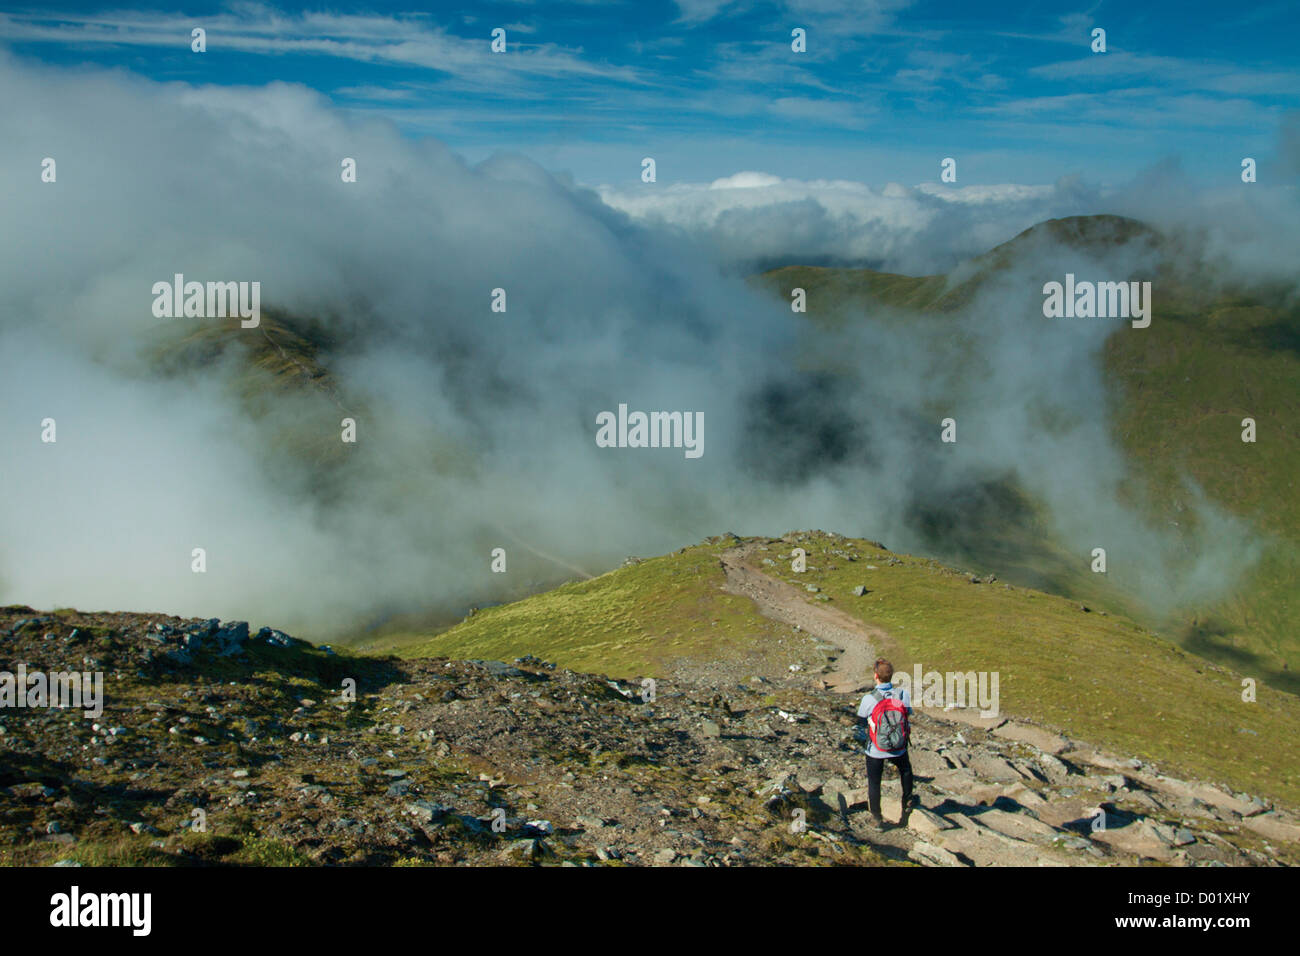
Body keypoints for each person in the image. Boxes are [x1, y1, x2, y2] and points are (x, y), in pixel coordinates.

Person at [856, 658, 914, 827]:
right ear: (891, 676)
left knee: (874, 782)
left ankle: (877, 817)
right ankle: (907, 802)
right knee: (906, 770)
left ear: (876, 676)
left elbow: (860, 721)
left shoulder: (869, 699)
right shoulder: (902, 694)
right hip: (899, 747)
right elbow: (907, 714)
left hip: (876, 748)